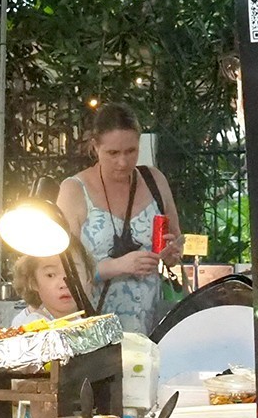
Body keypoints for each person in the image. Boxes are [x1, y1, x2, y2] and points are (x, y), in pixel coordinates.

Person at [56, 103, 182, 334]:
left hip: (149, 324)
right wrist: (117, 266)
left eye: (131, 151)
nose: (123, 162)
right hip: (95, 327)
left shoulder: (154, 180)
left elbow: (176, 241)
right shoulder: (74, 190)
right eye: (113, 153)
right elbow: (63, 270)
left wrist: (172, 252)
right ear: (95, 147)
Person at [10, 251, 83, 328]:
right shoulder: (29, 326)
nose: (64, 284)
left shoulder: (86, 319)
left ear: (89, 279)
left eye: (73, 273)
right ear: (34, 283)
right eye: (50, 275)